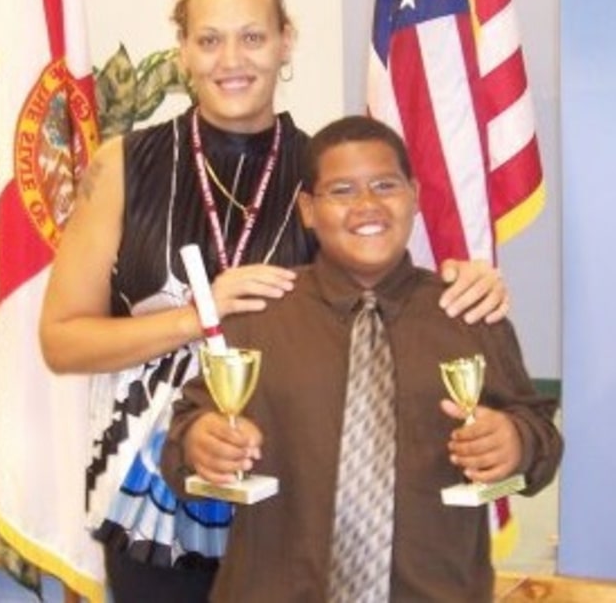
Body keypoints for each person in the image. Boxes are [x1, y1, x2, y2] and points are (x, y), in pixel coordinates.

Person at [39, 0, 510, 602]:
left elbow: (393, 290)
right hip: (155, 497)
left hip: (293, 498)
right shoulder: (122, 166)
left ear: (287, 41)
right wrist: (200, 316)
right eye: (209, 40)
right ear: (183, 51)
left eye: (253, 37)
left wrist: (467, 280)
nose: (231, 59)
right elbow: (62, 341)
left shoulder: (328, 175)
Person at [161, 115, 563, 603]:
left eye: (385, 185)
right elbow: (181, 445)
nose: (367, 206)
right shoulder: (258, 316)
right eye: (342, 191)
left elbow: (541, 437)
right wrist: (201, 443)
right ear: (308, 209)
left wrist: (515, 441)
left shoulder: (468, 312)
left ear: (414, 195)